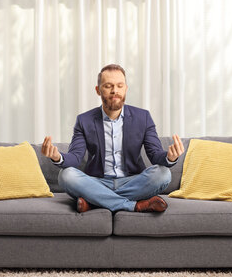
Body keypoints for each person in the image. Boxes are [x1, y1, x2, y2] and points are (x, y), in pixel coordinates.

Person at [41, 64, 185, 213]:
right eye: (108, 86)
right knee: (66, 175)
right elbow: (75, 157)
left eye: (119, 86)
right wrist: (57, 157)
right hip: (97, 182)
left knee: (163, 174)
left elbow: (155, 154)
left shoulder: (143, 117)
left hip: (132, 181)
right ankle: (133, 205)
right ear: (98, 90)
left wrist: (169, 157)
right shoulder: (84, 120)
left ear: (126, 89)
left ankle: (95, 201)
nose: (114, 91)